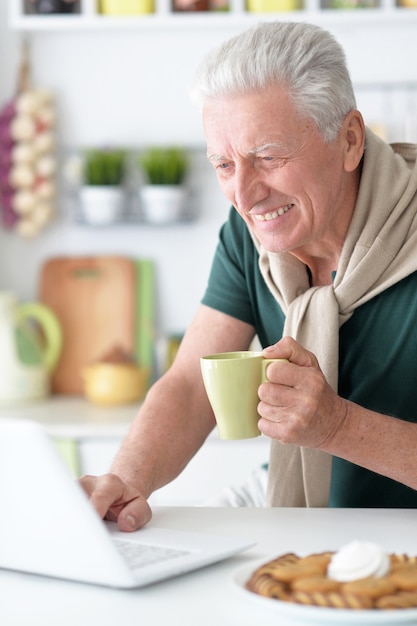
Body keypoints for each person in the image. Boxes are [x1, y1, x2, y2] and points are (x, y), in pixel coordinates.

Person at [80, 21, 417, 531]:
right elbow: (193, 385)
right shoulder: (250, 235)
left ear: (349, 140)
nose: (244, 194)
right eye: (223, 164)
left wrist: (339, 426)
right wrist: (128, 480)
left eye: (268, 157)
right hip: (291, 508)